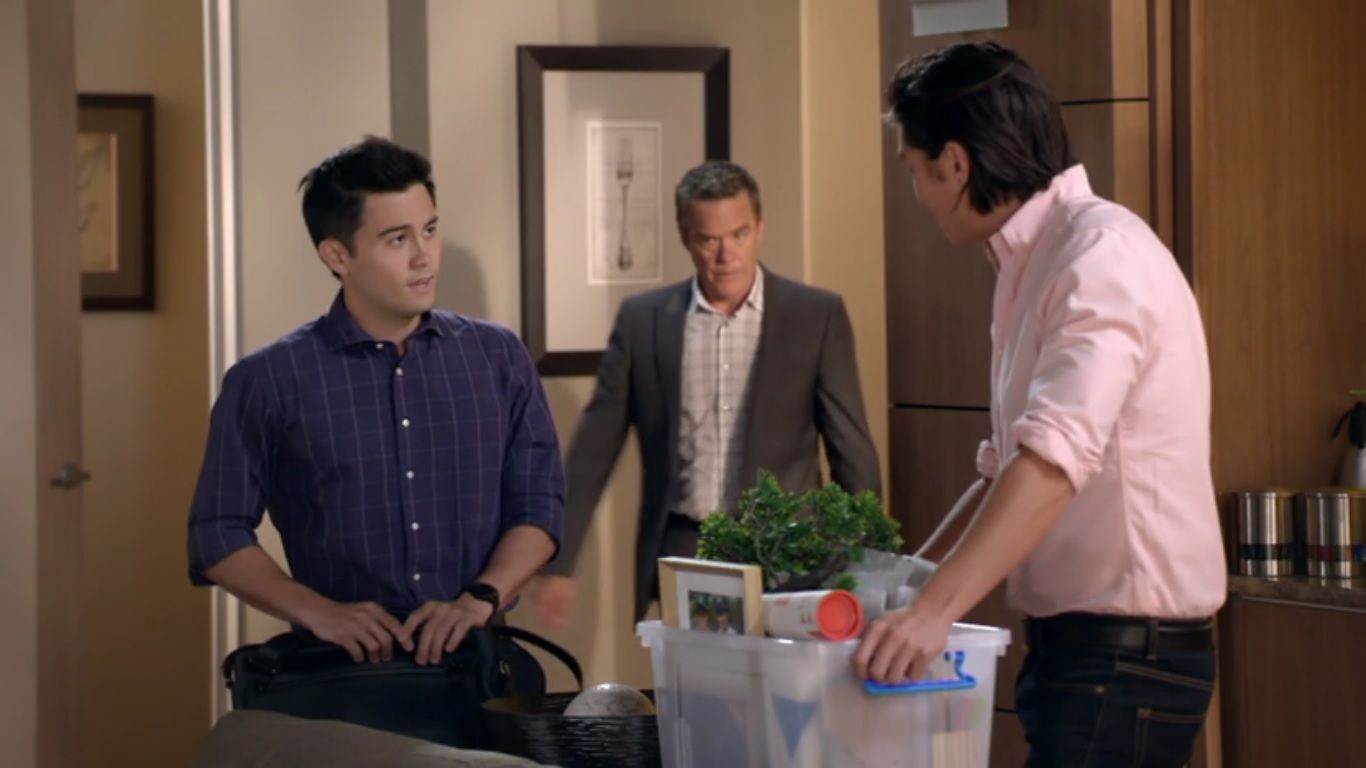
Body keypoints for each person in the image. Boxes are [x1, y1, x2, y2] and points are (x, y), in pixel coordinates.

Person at [854, 42, 1226, 766]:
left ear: (955, 165)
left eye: (913, 170)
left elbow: (1053, 462)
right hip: (1083, 649)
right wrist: (903, 585)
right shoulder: (1036, 259)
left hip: (1127, 656)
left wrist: (933, 613)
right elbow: (1015, 466)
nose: (916, 193)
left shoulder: (1099, 254)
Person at [187, 136, 564, 667]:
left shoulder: (498, 357)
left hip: (480, 664)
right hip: (341, 675)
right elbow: (216, 532)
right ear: (338, 255)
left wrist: (480, 598)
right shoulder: (268, 380)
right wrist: (318, 611)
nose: (424, 257)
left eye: (429, 230)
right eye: (397, 239)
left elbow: (539, 506)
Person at [535, 160, 882, 625]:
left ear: (760, 227)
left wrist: (870, 565)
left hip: (791, 556)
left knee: (777, 674)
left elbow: (851, 447)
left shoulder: (814, 316)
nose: (726, 256)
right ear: (686, 237)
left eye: (739, 235)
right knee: (694, 672)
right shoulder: (643, 322)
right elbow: (593, 450)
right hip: (687, 552)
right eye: (709, 240)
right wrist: (559, 562)